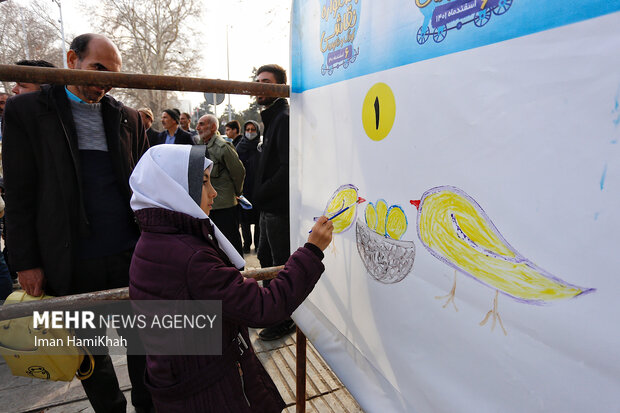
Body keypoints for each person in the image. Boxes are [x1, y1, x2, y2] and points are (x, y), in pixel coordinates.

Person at [2, 33, 153, 413]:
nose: (104, 81)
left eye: (113, 75)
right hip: (70, 260)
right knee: (91, 356)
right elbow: (19, 194)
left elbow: (145, 187)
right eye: (97, 69)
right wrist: (25, 262)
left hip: (130, 258)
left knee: (146, 350)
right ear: (72, 59)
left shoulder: (128, 118)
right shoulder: (27, 112)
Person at [128, 144, 333, 412]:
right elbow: (263, 307)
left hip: (181, 382)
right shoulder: (189, 254)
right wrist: (312, 251)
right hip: (210, 389)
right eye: (203, 183)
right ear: (176, 190)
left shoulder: (156, 237)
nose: (214, 192)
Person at [253, 64, 295, 341]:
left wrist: (262, 192)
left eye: (266, 82)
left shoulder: (283, 117)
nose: (260, 87)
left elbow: (286, 167)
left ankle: (284, 318)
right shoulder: (271, 118)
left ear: (280, 86)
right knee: (265, 259)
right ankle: (272, 312)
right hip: (267, 207)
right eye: (257, 82)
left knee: (279, 265)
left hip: (277, 208)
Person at [195, 114, 245, 256]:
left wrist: (237, 193)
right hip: (206, 205)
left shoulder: (223, 147)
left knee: (231, 243)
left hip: (224, 205)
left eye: (202, 124)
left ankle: (239, 273)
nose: (198, 127)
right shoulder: (199, 145)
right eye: (198, 124)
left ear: (213, 127)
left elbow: (238, 172)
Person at [236, 120, 262, 253]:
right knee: (244, 220)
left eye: (253, 130)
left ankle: (258, 244)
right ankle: (246, 244)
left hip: (257, 188)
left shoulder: (261, 147)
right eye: (248, 129)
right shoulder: (239, 148)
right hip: (243, 189)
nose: (250, 132)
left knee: (258, 220)